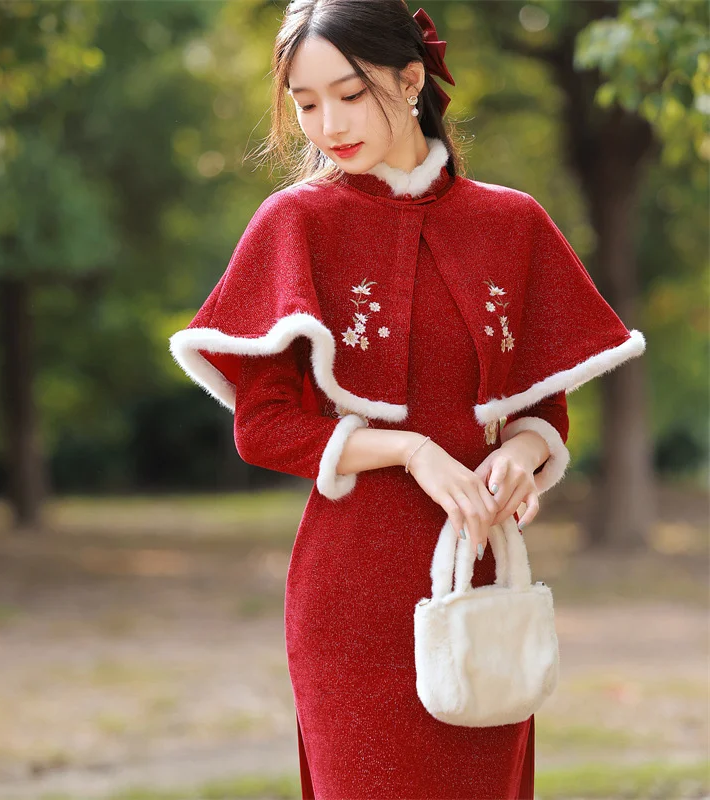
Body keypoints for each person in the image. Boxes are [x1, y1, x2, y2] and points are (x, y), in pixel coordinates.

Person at [169, 1, 646, 797]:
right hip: (349, 598)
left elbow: (541, 409)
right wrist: (411, 449)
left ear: (411, 78)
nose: (328, 124)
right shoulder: (294, 221)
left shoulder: (513, 222)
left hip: (480, 580)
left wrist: (523, 458)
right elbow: (265, 427)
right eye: (305, 101)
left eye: (350, 94)